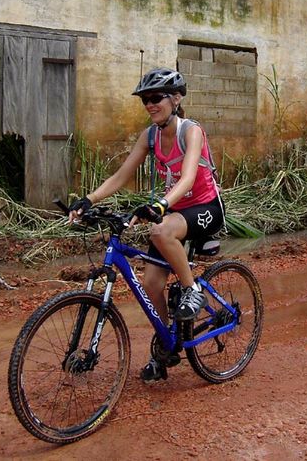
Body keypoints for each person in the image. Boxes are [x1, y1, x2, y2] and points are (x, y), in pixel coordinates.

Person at [69, 67, 225, 381]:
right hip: (173, 211)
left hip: (204, 207)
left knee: (161, 229)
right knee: (152, 283)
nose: (150, 105)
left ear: (176, 98)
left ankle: (192, 288)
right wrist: (88, 200)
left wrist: (161, 204)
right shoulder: (150, 135)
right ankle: (168, 343)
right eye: (145, 100)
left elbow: (190, 177)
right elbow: (120, 175)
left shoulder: (190, 131)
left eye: (156, 98)